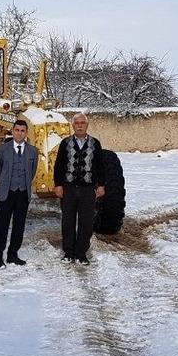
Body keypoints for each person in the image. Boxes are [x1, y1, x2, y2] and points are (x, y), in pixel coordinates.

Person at [53, 113, 105, 265]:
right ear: (73, 126)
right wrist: (58, 185)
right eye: (77, 123)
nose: (80, 125)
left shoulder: (95, 143)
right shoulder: (65, 143)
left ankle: (81, 254)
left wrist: (101, 185)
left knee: (86, 222)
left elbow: (100, 166)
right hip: (68, 189)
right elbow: (59, 165)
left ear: (87, 125)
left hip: (88, 189)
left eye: (83, 123)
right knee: (67, 221)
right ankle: (68, 253)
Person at [0, 120, 39, 269]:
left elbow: (32, 171)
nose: (19, 133)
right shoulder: (3, 149)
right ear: (12, 131)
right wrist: (5, 184)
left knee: (19, 226)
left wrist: (23, 185)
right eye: (17, 130)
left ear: (26, 133)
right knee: (2, 225)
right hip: (6, 193)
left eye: (22, 131)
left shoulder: (32, 151)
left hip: (22, 194)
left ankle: (13, 254)